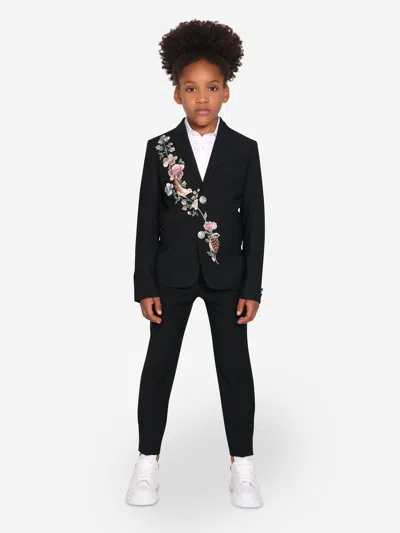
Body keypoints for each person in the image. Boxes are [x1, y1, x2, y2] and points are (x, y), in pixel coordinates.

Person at [126, 19, 265, 508]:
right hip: (171, 277)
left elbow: (256, 223)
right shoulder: (159, 150)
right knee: (159, 366)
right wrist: (145, 285)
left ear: (226, 92)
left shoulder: (244, 150)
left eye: (211, 87)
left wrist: (252, 287)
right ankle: (146, 462)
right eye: (191, 88)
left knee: (234, 368)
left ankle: (242, 466)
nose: (201, 98)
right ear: (176, 94)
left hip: (229, 280)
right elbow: (146, 221)